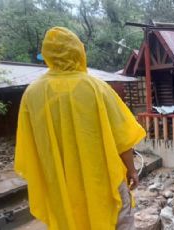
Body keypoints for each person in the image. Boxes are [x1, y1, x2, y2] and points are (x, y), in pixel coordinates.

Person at [14, 27, 146, 230]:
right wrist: (132, 170)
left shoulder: (32, 94)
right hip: (102, 179)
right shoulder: (96, 88)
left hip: (61, 184)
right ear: (79, 52)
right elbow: (122, 139)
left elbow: (29, 146)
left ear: (47, 55)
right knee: (117, 220)